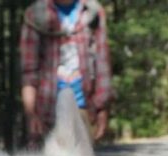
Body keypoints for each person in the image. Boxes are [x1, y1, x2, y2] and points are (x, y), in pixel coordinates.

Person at [19, 0, 112, 146]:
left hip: (84, 108)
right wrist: (31, 114)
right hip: (47, 111)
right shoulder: (35, 14)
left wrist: (102, 109)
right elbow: (29, 71)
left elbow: (102, 63)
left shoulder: (92, 11)